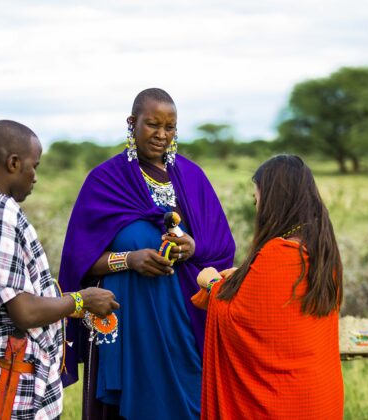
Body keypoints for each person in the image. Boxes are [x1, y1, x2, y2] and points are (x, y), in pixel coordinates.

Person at [59, 88, 235, 419]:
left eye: (170, 127)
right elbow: (78, 261)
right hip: (128, 322)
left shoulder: (192, 177)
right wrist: (130, 259)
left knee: (191, 400)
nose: (162, 135)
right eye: (153, 124)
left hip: (183, 318)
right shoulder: (104, 181)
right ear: (132, 123)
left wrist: (192, 248)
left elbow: (223, 247)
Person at [0, 120, 119, 419]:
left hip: (6, 378)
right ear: (13, 163)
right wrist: (82, 300)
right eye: (33, 166)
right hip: (9, 390)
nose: (35, 177)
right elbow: (23, 312)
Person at [194, 154, 344, 419]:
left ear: (275, 200)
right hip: (320, 394)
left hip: (282, 402)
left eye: (257, 199)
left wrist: (212, 282)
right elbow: (279, 304)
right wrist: (244, 274)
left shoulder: (278, 252)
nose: (257, 207)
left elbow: (238, 317)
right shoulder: (320, 246)